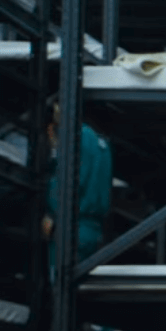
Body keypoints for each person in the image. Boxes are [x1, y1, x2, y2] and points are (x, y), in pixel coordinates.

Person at [43, 96, 114, 267]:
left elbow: (67, 180)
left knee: (59, 278)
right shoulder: (101, 142)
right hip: (92, 229)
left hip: (70, 226)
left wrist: (52, 214)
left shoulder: (76, 136)